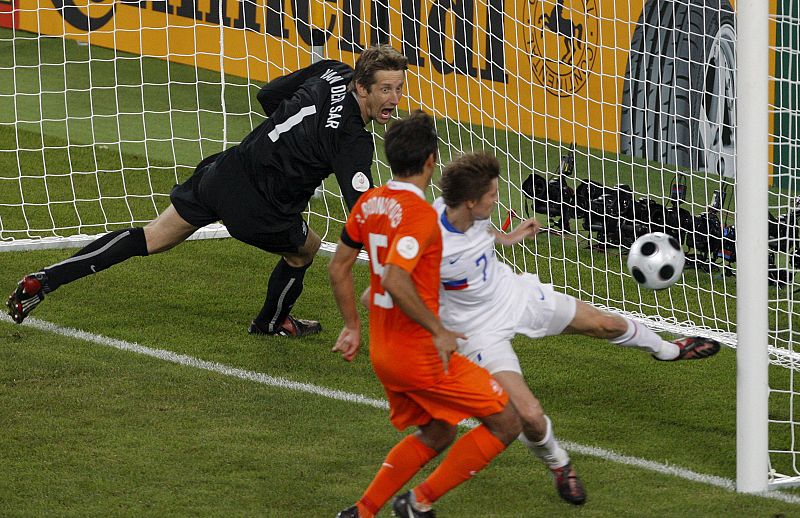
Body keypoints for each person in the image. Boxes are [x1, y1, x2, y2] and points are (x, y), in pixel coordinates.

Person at [6, 45, 408, 337]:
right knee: (304, 251)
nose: (393, 99)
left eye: (398, 89)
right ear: (362, 87)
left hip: (225, 171)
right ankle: (272, 322)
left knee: (150, 237)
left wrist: (292, 141)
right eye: (386, 89)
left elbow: (268, 95)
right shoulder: (354, 140)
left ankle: (46, 280)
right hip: (261, 208)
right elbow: (360, 206)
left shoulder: (331, 71)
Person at [433, 151, 722, 505]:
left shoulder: (464, 211)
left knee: (607, 324)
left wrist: (509, 238)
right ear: (469, 200)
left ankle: (670, 350)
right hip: (477, 333)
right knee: (530, 416)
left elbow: (482, 232)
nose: (497, 199)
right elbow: (402, 288)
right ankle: (560, 464)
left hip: (514, 293)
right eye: (492, 196)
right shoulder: (432, 241)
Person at [329, 111, 522, 518]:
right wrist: (438, 330)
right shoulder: (419, 215)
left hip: (384, 354)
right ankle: (419, 503)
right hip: (419, 356)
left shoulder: (370, 202)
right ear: (432, 160)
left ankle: (362, 512)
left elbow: (338, 266)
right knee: (507, 422)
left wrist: (352, 326)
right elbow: (398, 280)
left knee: (438, 431)